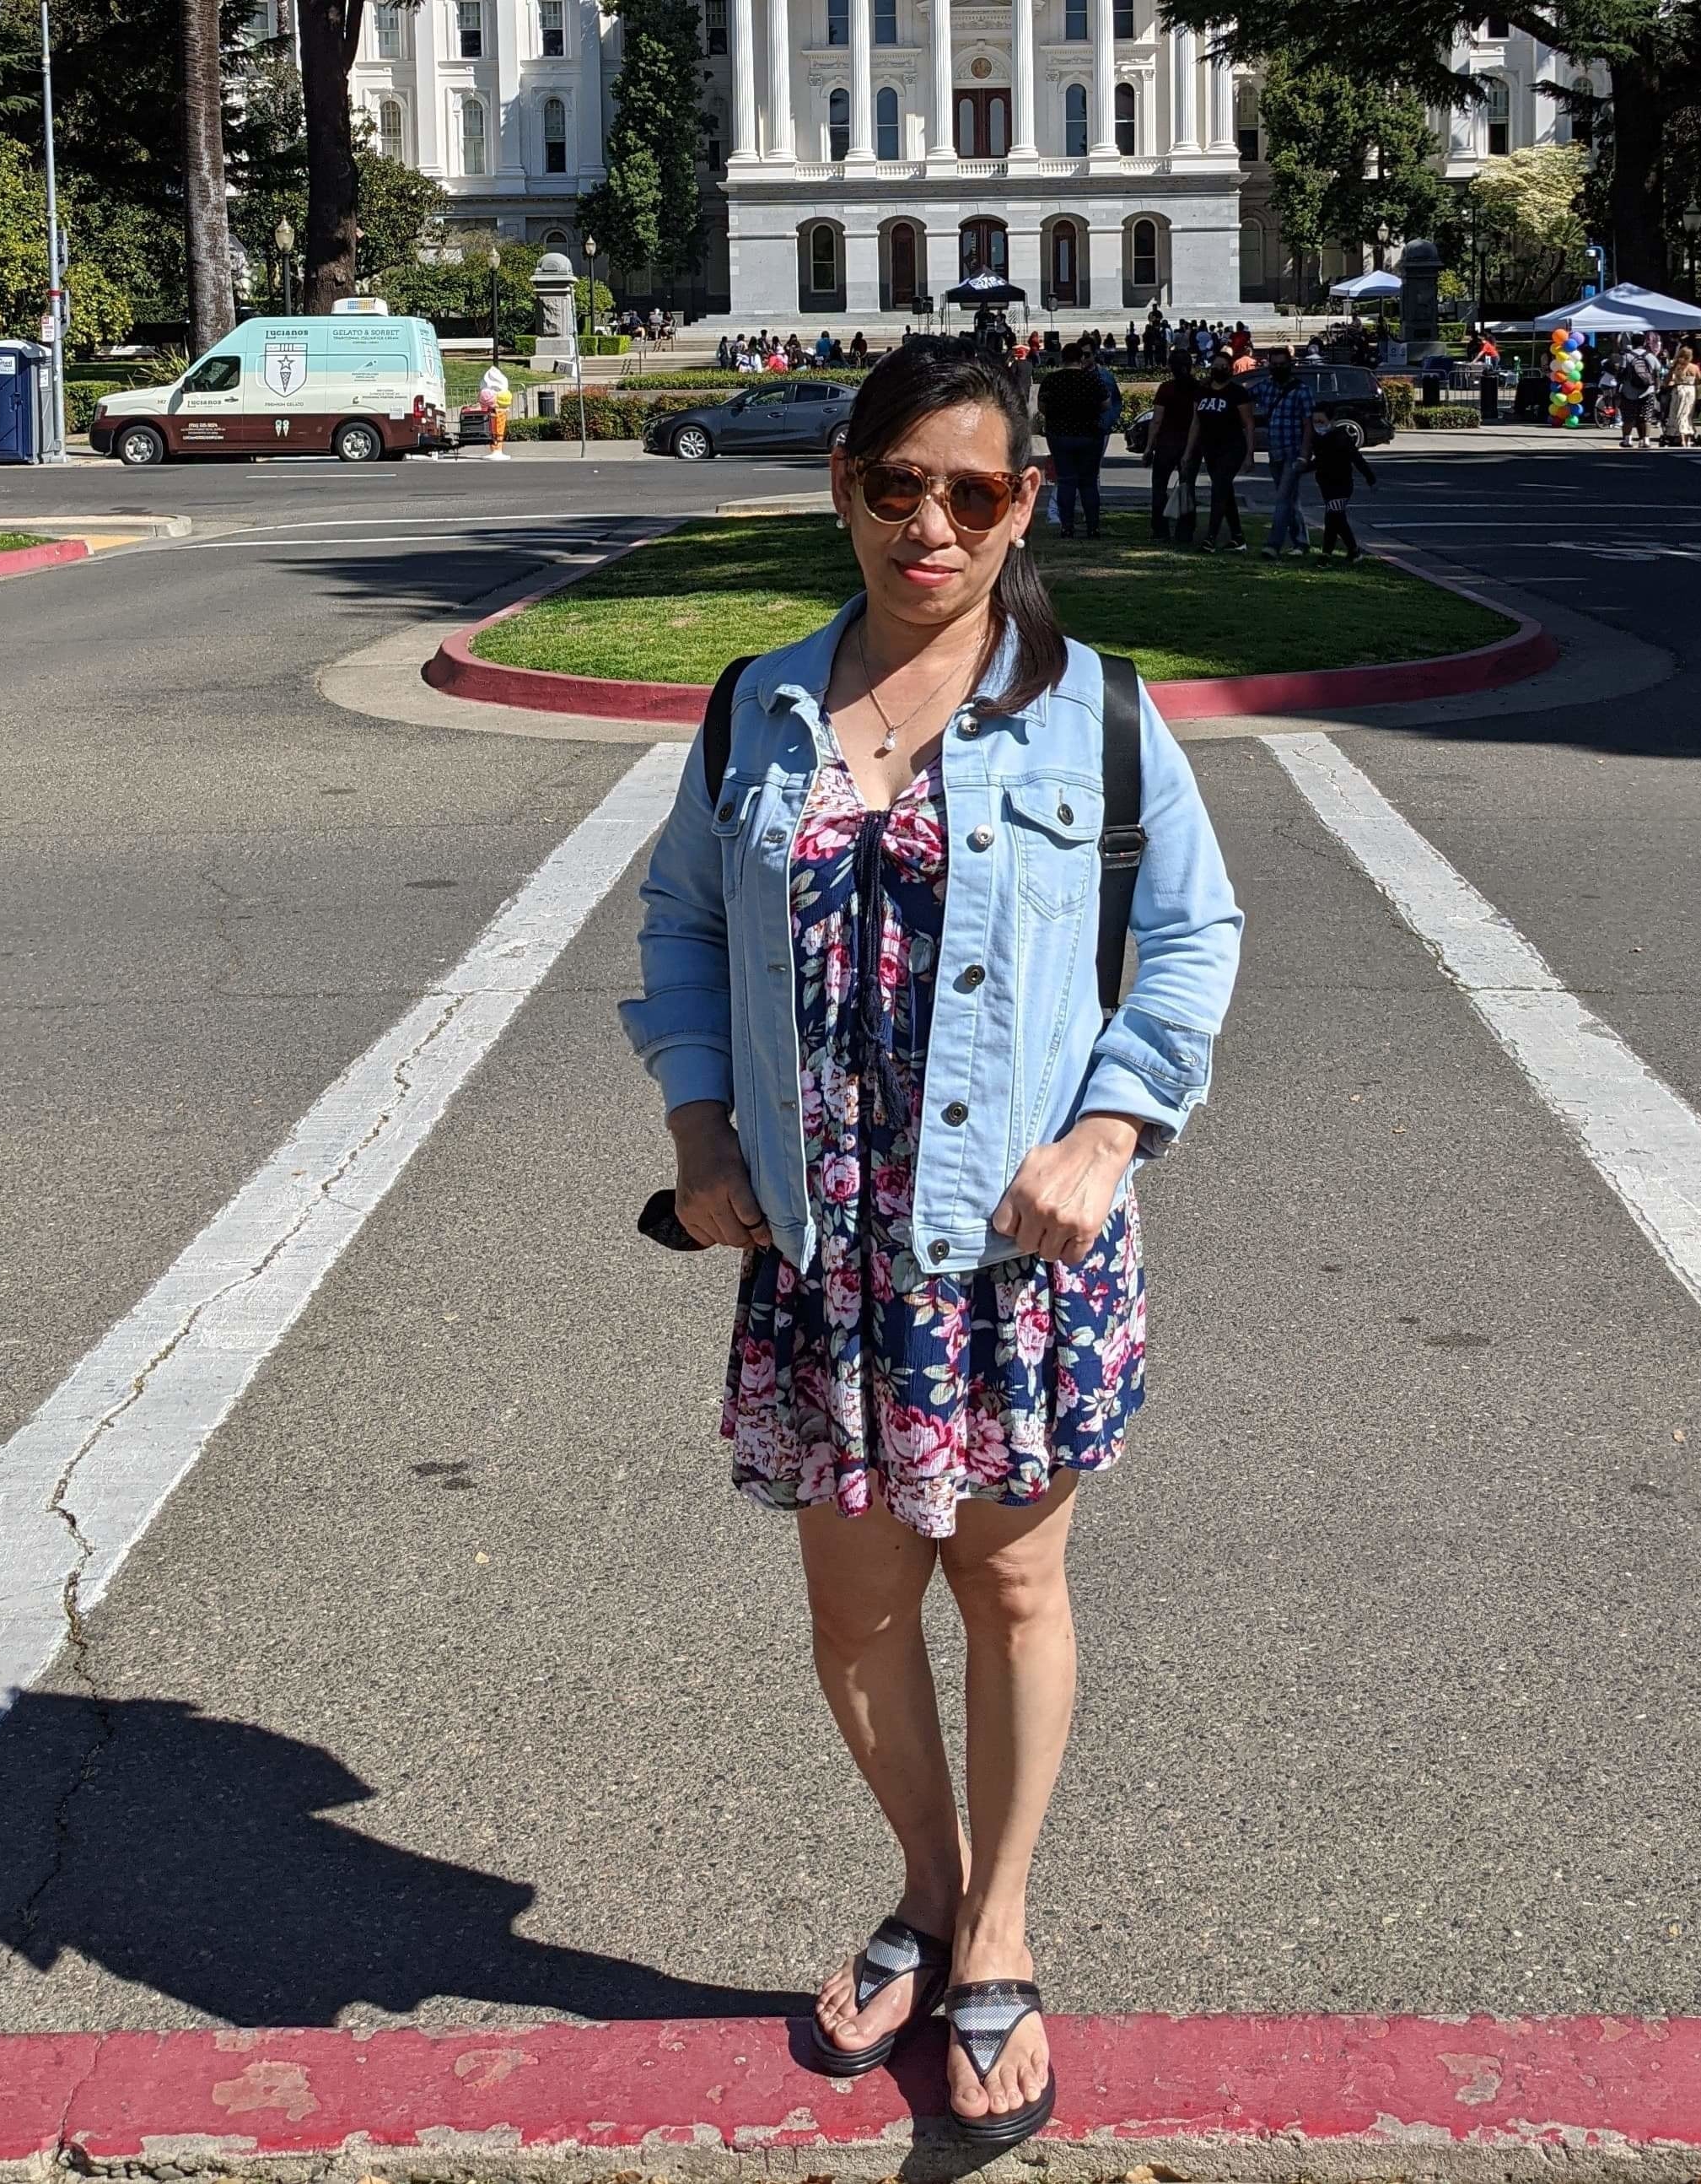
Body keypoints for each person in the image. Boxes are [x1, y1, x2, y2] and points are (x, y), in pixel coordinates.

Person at [621, 337, 1241, 2152]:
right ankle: (925, 1880)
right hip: (821, 1256)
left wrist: (1113, 1129)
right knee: (855, 1607)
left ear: (1022, 505)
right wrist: (699, 1124)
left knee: (1014, 1589)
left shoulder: (1096, 713)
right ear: (844, 485)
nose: (931, 525)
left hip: (1011, 1256)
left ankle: (1004, 1930)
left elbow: (1191, 941)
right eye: (897, 486)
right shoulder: (756, 709)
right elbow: (676, 927)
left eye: (972, 492)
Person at [1181, 351, 1255, 553]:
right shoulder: (1202, 392)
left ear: (1229, 369)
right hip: (1210, 448)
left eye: (1223, 366)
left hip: (1232, 447)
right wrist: (1188, 452)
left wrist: (1250, 453)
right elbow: (1195, 423)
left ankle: (1210, 538)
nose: (1218, 370)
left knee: (1219, 489)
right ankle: (1238, 538)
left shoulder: (1237, 393)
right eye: (1215, 366)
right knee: (1225, 491)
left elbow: (1248, 424)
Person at [1036, 340, 1108, 538]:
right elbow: (1106, 404)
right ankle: (1093, 526)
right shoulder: (1092, 380)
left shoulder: (1052, 381)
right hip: (1090, 435)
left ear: (1062, 358)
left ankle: (1066, 526)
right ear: (1081, 358)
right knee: (1089, 482)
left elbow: (1042, 407)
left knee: (1066, 481)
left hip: (1060, 435)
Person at [1256, 348, 1315, 557]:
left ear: (1290, 364)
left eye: (1282, 364)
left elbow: (1309, 425)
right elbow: (1242, 396)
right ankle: (1301, 542)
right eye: (1274, 364)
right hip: (1275, 452)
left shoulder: (1301, 390)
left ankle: (1273, 544)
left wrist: (1304, 455)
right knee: (1290, 499)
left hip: (1294, 451)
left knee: (1282, 499)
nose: (1278, 368)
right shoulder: (1265, 387)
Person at [1144, 348, 1199, 542]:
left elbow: (1156, 420)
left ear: (1170, 367)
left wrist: (1149, 447)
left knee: (1159, 488)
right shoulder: (1198, 388)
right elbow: (1197, 419)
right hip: (1190, 444)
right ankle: (1186, 530)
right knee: (1187, 486)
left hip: (1167, 443)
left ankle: (1160, 530)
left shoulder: (1166, 388)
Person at [1305, 411, 1376, 561]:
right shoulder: (1317, 439)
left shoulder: (1341, 437)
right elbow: (1319, 462)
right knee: (1336, 518)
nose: (1318, 425)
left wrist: (1370, 478)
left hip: (1342, 484)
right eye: (1315, 422)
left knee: (1333, 517)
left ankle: (1327, 553)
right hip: (1326, 484)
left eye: (1321, 421)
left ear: (1331, 421)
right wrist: (1302, 468)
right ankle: (1353, 551)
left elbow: (1357, 458)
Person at [1615, 337, 1657, 448]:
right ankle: (1645, 440)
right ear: (1644, 342)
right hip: (1648, 391)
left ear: (1632, 343)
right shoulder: (1650, 356)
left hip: (1629, 391)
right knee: (1646, 416)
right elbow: (1658, 370)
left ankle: (1627, 440)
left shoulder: (1627, 356)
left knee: (1628, 417)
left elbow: (1620, 373)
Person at [1664, 344, 1701, 445]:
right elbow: (1699, 380)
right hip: (1691, 390)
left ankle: (1680, 437)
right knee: (1687, 414)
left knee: (1678, 414)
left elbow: (1667, 381)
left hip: (1679, 389)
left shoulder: (1676, 367)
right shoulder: (1694, 367)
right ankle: (1687, 438)